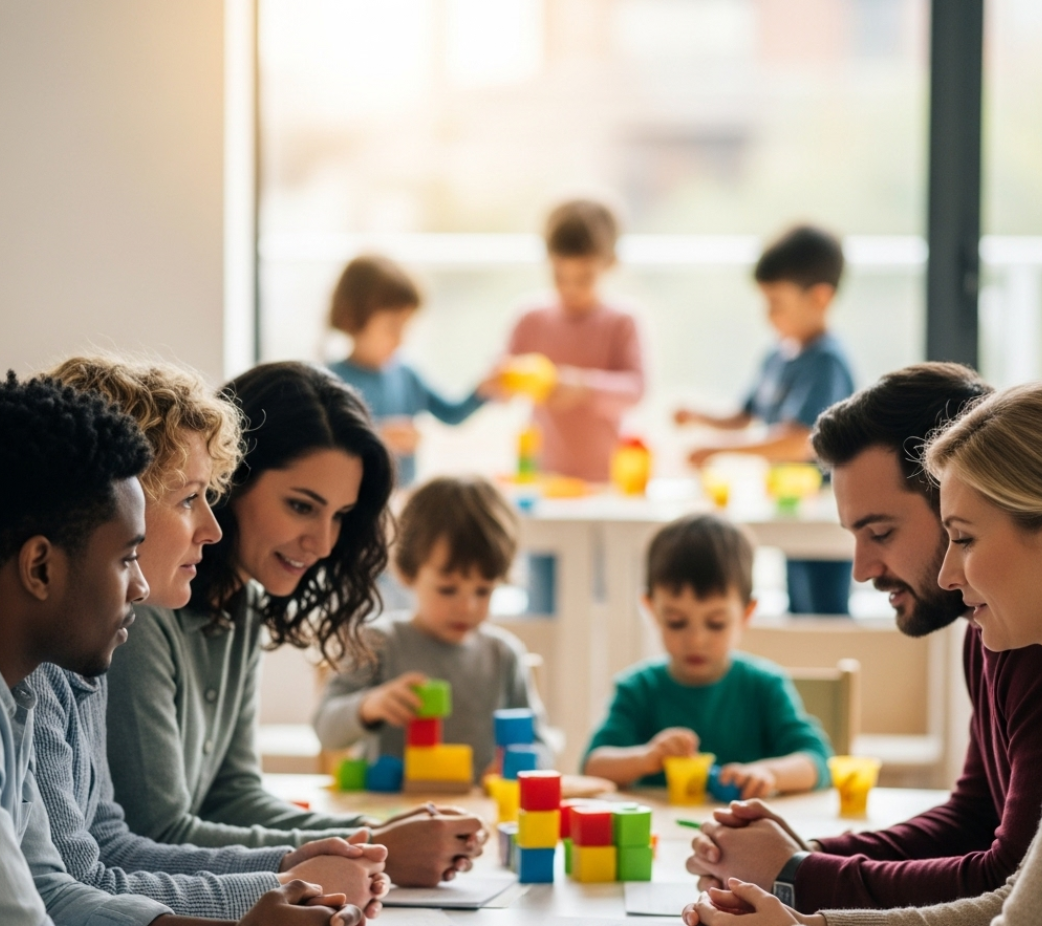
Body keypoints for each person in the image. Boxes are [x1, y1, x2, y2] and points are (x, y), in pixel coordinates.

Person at [29, 356, 387, 921]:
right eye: (190, 498)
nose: (212, 527)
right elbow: (70, 884)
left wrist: (297, 865)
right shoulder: (75, 650)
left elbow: (108, 843)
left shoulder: (83, 654)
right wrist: (276, 885)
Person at [105, 361, 486, 887]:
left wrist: (370, 833)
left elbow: (231, 795)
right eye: (302, 506)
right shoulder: (143, 611)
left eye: (339, 515)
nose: (325, 544)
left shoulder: (240, 601)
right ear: (229, 482)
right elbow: (159, 831)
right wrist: (373, 848)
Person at [682, 380, 1042, 926]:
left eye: (880, 531)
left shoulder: (1024, 640)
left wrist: (797, 872)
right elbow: (976, 818)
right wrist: (801, 855)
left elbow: (1007, 883)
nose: (861, 569)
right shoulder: (991, 631)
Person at [312, 476, 551, 776]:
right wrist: (369, 706)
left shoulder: (504, 655)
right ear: (407, 572)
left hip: (479, 811)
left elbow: (540, 744)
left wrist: (521, 765)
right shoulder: (377, 643)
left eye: (483, 591)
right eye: (447, 590)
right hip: (395, 811)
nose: (468, 607)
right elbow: (325, 728)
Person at [582, 514, 831, 797]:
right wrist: (646, 758)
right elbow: (593, 766)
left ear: (747, 614)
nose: (696, 640)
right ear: (651, 609)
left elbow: (817, 760)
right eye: (676, 621)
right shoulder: (638, 690)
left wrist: (770, 773)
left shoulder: (764, 686)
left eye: (716, 624)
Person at [675, 225, 855, 615]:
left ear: (820, 298)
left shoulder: (827, 362)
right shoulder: (778, 355)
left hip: (825, 509)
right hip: (790, 503)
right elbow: (744, 415)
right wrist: (699, 417)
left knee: (822, 613)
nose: (768, 315)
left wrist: (717, 451)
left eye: (777, 303)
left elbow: (797, 440)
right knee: (797, 604)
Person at [502, 198, 645, 482]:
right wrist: (500, 378)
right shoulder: (530, 319)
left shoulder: (621, 322)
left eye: (584, 278)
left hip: (604, 474)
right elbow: (500, 388)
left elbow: (636, 389)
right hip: (541, 473)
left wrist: (583, 386)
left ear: (610, 264)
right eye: (559, 276)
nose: (570, 288)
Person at [327, 254, 490, 486]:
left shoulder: (406, 375)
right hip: (353, 504)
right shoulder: (330, 383)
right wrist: (377, 437)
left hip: (402, 495)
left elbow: (452, 414)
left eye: (405, 327)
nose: (401, 339)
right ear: (352, 317)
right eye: (392, 327)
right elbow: (324, 447)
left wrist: (484, 389)